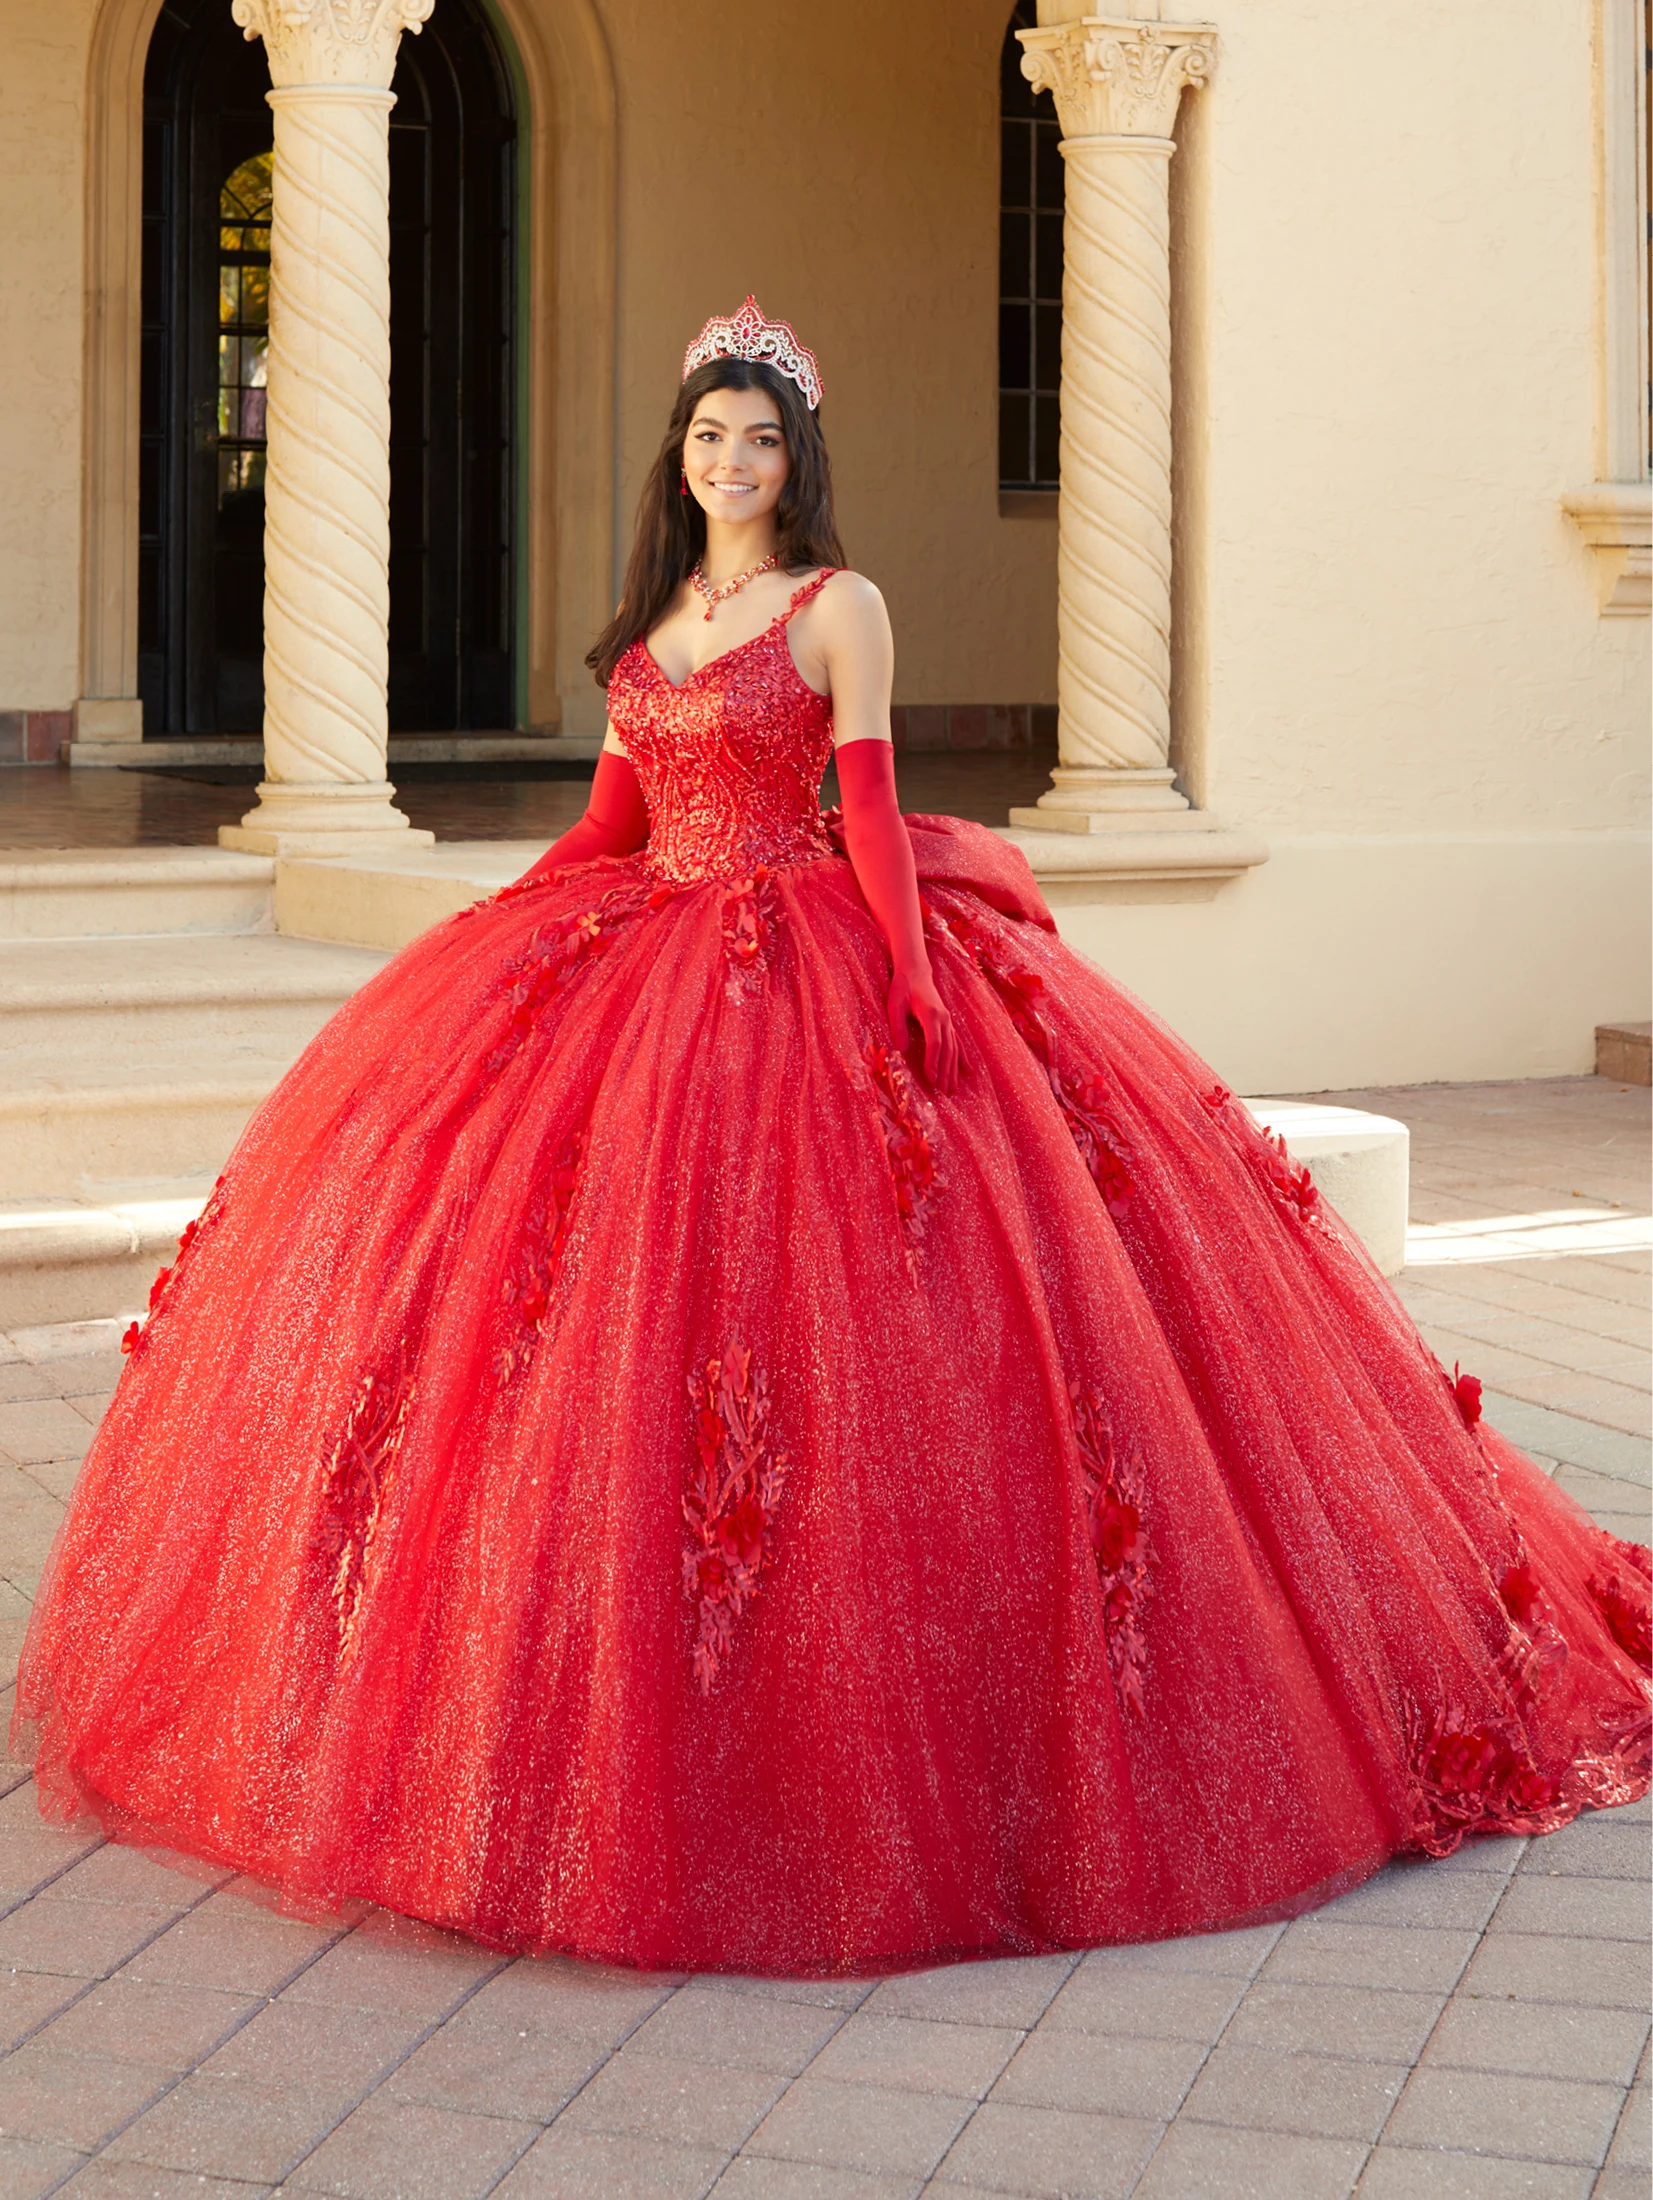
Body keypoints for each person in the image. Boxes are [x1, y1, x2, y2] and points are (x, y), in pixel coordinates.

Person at [16, 298, 1648, 1980]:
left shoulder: (834, 605)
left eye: (763, 438)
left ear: (800, 461)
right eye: (711, 436)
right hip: (650, 948)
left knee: (880, 1317)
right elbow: (611, 818)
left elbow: (863, 802)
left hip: (805, 940)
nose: (734, 461)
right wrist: (509, 923)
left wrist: (914, 969)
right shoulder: (661, 619)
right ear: (684, 454)